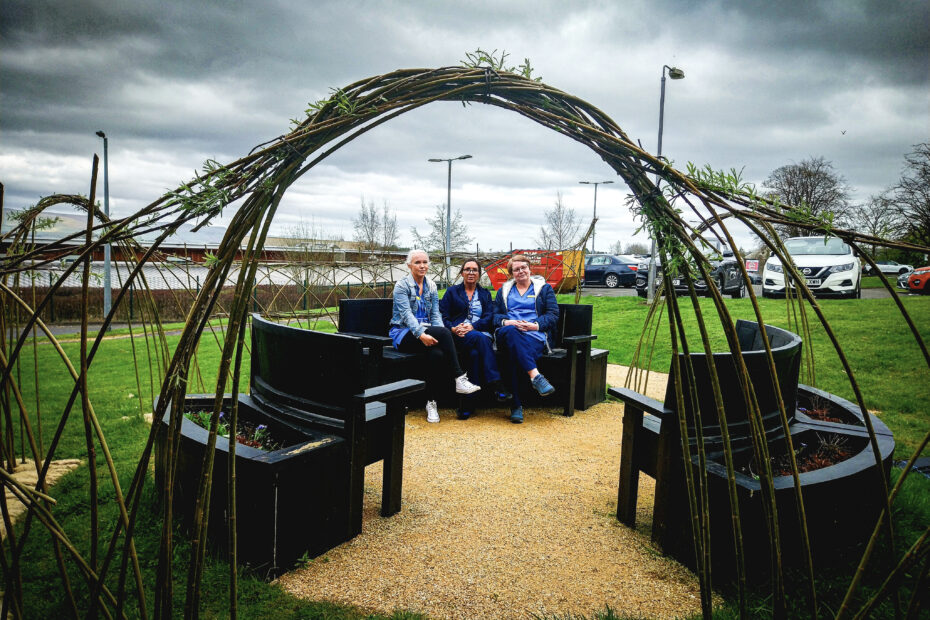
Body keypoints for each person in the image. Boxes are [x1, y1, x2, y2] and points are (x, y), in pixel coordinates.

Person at [390, 249, 480, 423]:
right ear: (409, 265)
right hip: (404, 333)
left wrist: (440, 333)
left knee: (437, 355)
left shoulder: (431, 285)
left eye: (425, 262)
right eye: (417, 262)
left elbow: (435, 314)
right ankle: (459, 378)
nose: (422, 265)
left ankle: (431, 403)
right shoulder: (401, 286)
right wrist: (421, 334)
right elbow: (406, 315)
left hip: (428, 331)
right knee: (443, 335)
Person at [439, 258, 511, 420]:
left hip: (478, 333)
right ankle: (496, 383)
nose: (471, 272)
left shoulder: (485, 294)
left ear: (479, 274)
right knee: (482, 341)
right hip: (456, 336)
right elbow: (442, 315)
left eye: (474, 270)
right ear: (462, 273)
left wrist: (474, 326)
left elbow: (489, 317)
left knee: (474, 354)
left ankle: (466, 406)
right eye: (467, 269)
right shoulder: (452, 292)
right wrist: (452, 328)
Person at [493, 254, 558, 424]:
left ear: (530, 268)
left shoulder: (544, 289)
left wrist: (534, 325)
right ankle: (535, 376)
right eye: (516, 269)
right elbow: (494, 315)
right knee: (512, 332)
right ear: (511, 273)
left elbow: (552, 315)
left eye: (523, 267)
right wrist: (508, 321)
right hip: (507, 333)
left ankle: (516, 406)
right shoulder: (504, 291)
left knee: (513, 356)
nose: (521, 271)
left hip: (534, 335)